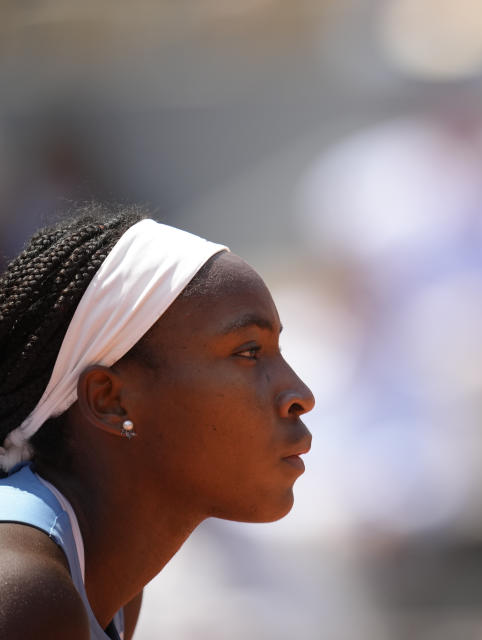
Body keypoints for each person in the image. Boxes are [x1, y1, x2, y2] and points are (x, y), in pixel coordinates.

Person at [0, 203, 315, 639]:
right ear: (111, 400)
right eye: (248, 352)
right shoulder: (23, 593)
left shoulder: (113, 579)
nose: (301, 396)